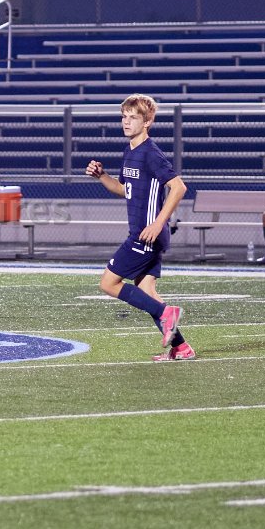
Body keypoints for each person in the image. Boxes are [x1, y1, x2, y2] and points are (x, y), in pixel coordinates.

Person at [86, 93, 195, 361]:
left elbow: (179, 187)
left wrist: (158, 223)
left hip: (146, 235)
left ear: (147, 122)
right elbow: (125, 190)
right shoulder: (130, 151)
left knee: (108, 283)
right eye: (124, 116)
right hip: (147, 234)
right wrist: (102, 176)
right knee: (146, 291)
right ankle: (181, 348)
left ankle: (166, 313)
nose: (126, 122)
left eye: (133, 117)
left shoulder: (150, 153)